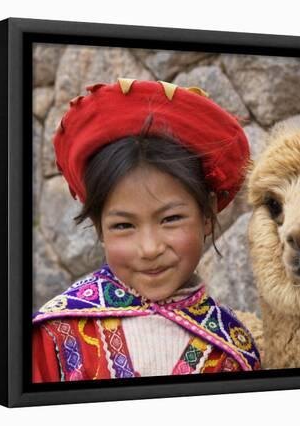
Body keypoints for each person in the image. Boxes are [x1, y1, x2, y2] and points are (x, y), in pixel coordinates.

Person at [32, 78, 261, 382]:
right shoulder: (55, 336)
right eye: (124, 225)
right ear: (100, 228)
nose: (150, 248)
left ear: (206, 215)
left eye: (170, 219)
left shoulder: (233, 351)